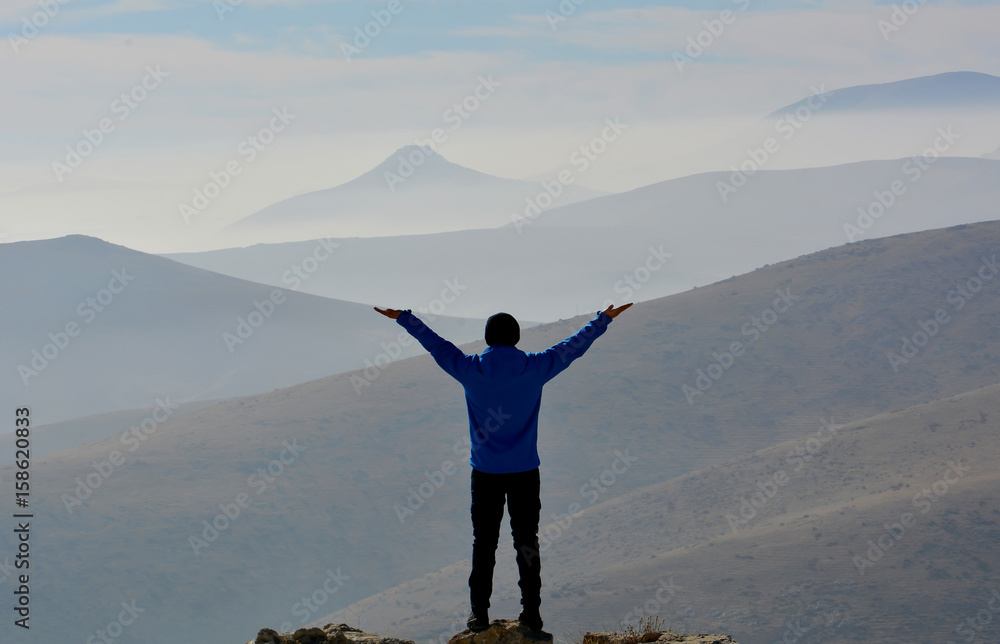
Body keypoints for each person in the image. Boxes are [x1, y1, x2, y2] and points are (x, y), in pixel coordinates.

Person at [374, 302, 632, 641]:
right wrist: (602, 320)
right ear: (517, 338)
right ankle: (532, 614)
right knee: (527, 543)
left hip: (485, 474)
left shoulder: (469, 370)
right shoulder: (535, 367)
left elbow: (437, 345)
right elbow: (573, 348)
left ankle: (478, 615)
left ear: (486, 339)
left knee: (484, 545)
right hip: (525, 472)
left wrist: (405, 319)